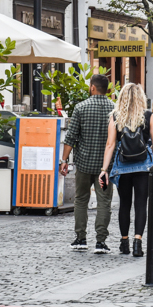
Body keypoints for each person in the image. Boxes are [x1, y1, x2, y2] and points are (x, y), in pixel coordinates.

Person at [99, 82, 153, 256]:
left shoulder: (116, 116)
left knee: (124, 204)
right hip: (143, 167)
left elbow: (110, 144)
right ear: (141, 98)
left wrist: (104, 169)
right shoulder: (148, 116)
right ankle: (137, 242)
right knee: (141, 204)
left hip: (122, 167)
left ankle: (124, 242)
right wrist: (147, 153)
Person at [59, 73, 114, 254]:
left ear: (92, 87)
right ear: (107, 90)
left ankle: (80, 238)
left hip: (83, 164)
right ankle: (100, 241)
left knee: (81, 200)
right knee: (104, 202)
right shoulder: (114, 109)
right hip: (105, 168)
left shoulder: (80, 108)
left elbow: (71, 137)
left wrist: (64, 161)